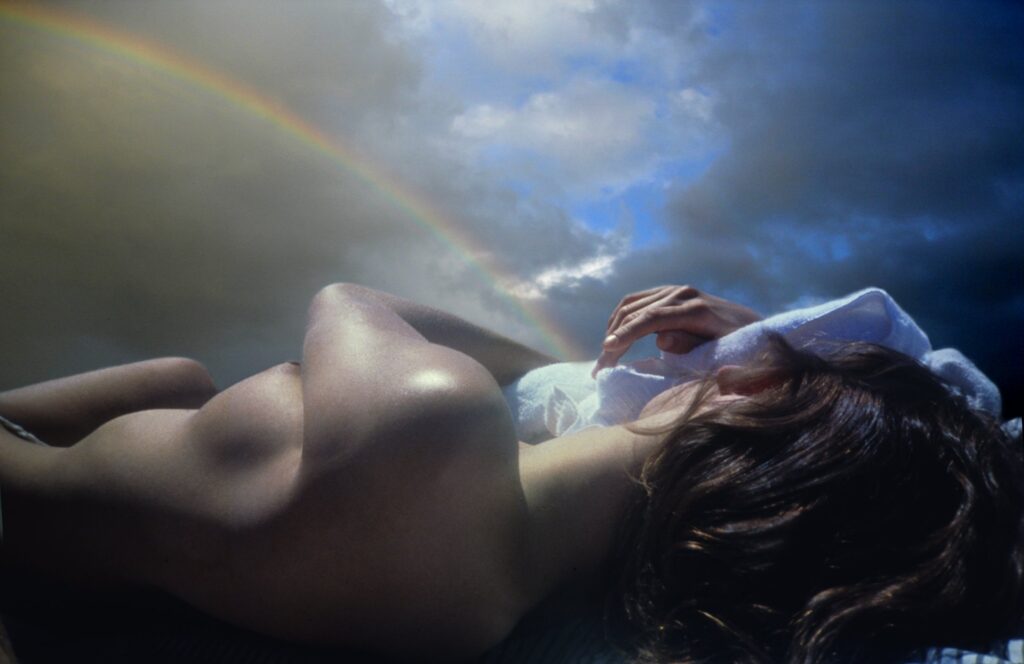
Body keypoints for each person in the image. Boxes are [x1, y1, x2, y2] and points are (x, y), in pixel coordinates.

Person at [0, 283, 1020, 662]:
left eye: (758, 363)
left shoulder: (431, 422)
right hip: (100, 519)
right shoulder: (492, 599)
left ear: (752, 399)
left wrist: (562, 366)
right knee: (177, 376)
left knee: (178, 376)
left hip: (18, 490)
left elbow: (350, 295)